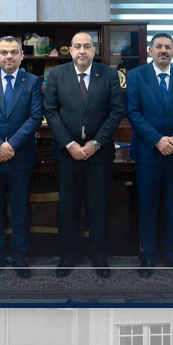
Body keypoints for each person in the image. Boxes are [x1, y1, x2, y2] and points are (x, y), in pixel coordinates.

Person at [44, 32, 125, 279]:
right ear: (70, 50)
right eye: (77, 46)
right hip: (67, 154)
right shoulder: (57, 75)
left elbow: (116, 111)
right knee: (68, 207)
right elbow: (50, 111)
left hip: (98, 155)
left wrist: (96, 143)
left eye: (87, 46)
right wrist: (70, 144)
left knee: (98, 206)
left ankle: (99, 256)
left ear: (94, 50)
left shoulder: (109, 75)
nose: (82, 51)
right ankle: (68, 255)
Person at [125, 32, 173, 278]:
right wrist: (157, 140)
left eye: (168, 47)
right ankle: (148, 255)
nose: (163, 50)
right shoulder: (137, 76)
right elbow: (133, 112)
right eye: (158, 46)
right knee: (148, 205)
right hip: (148, 153)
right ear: (150, 50)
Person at [0, 36, 43, 280]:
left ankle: (19, 256)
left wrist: (10, 145)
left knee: (21, 209)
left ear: (22, 55)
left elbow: (35, 117)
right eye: (4, 52)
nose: (9, 56)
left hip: (21, 157)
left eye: (13, 52)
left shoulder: (32, 81)